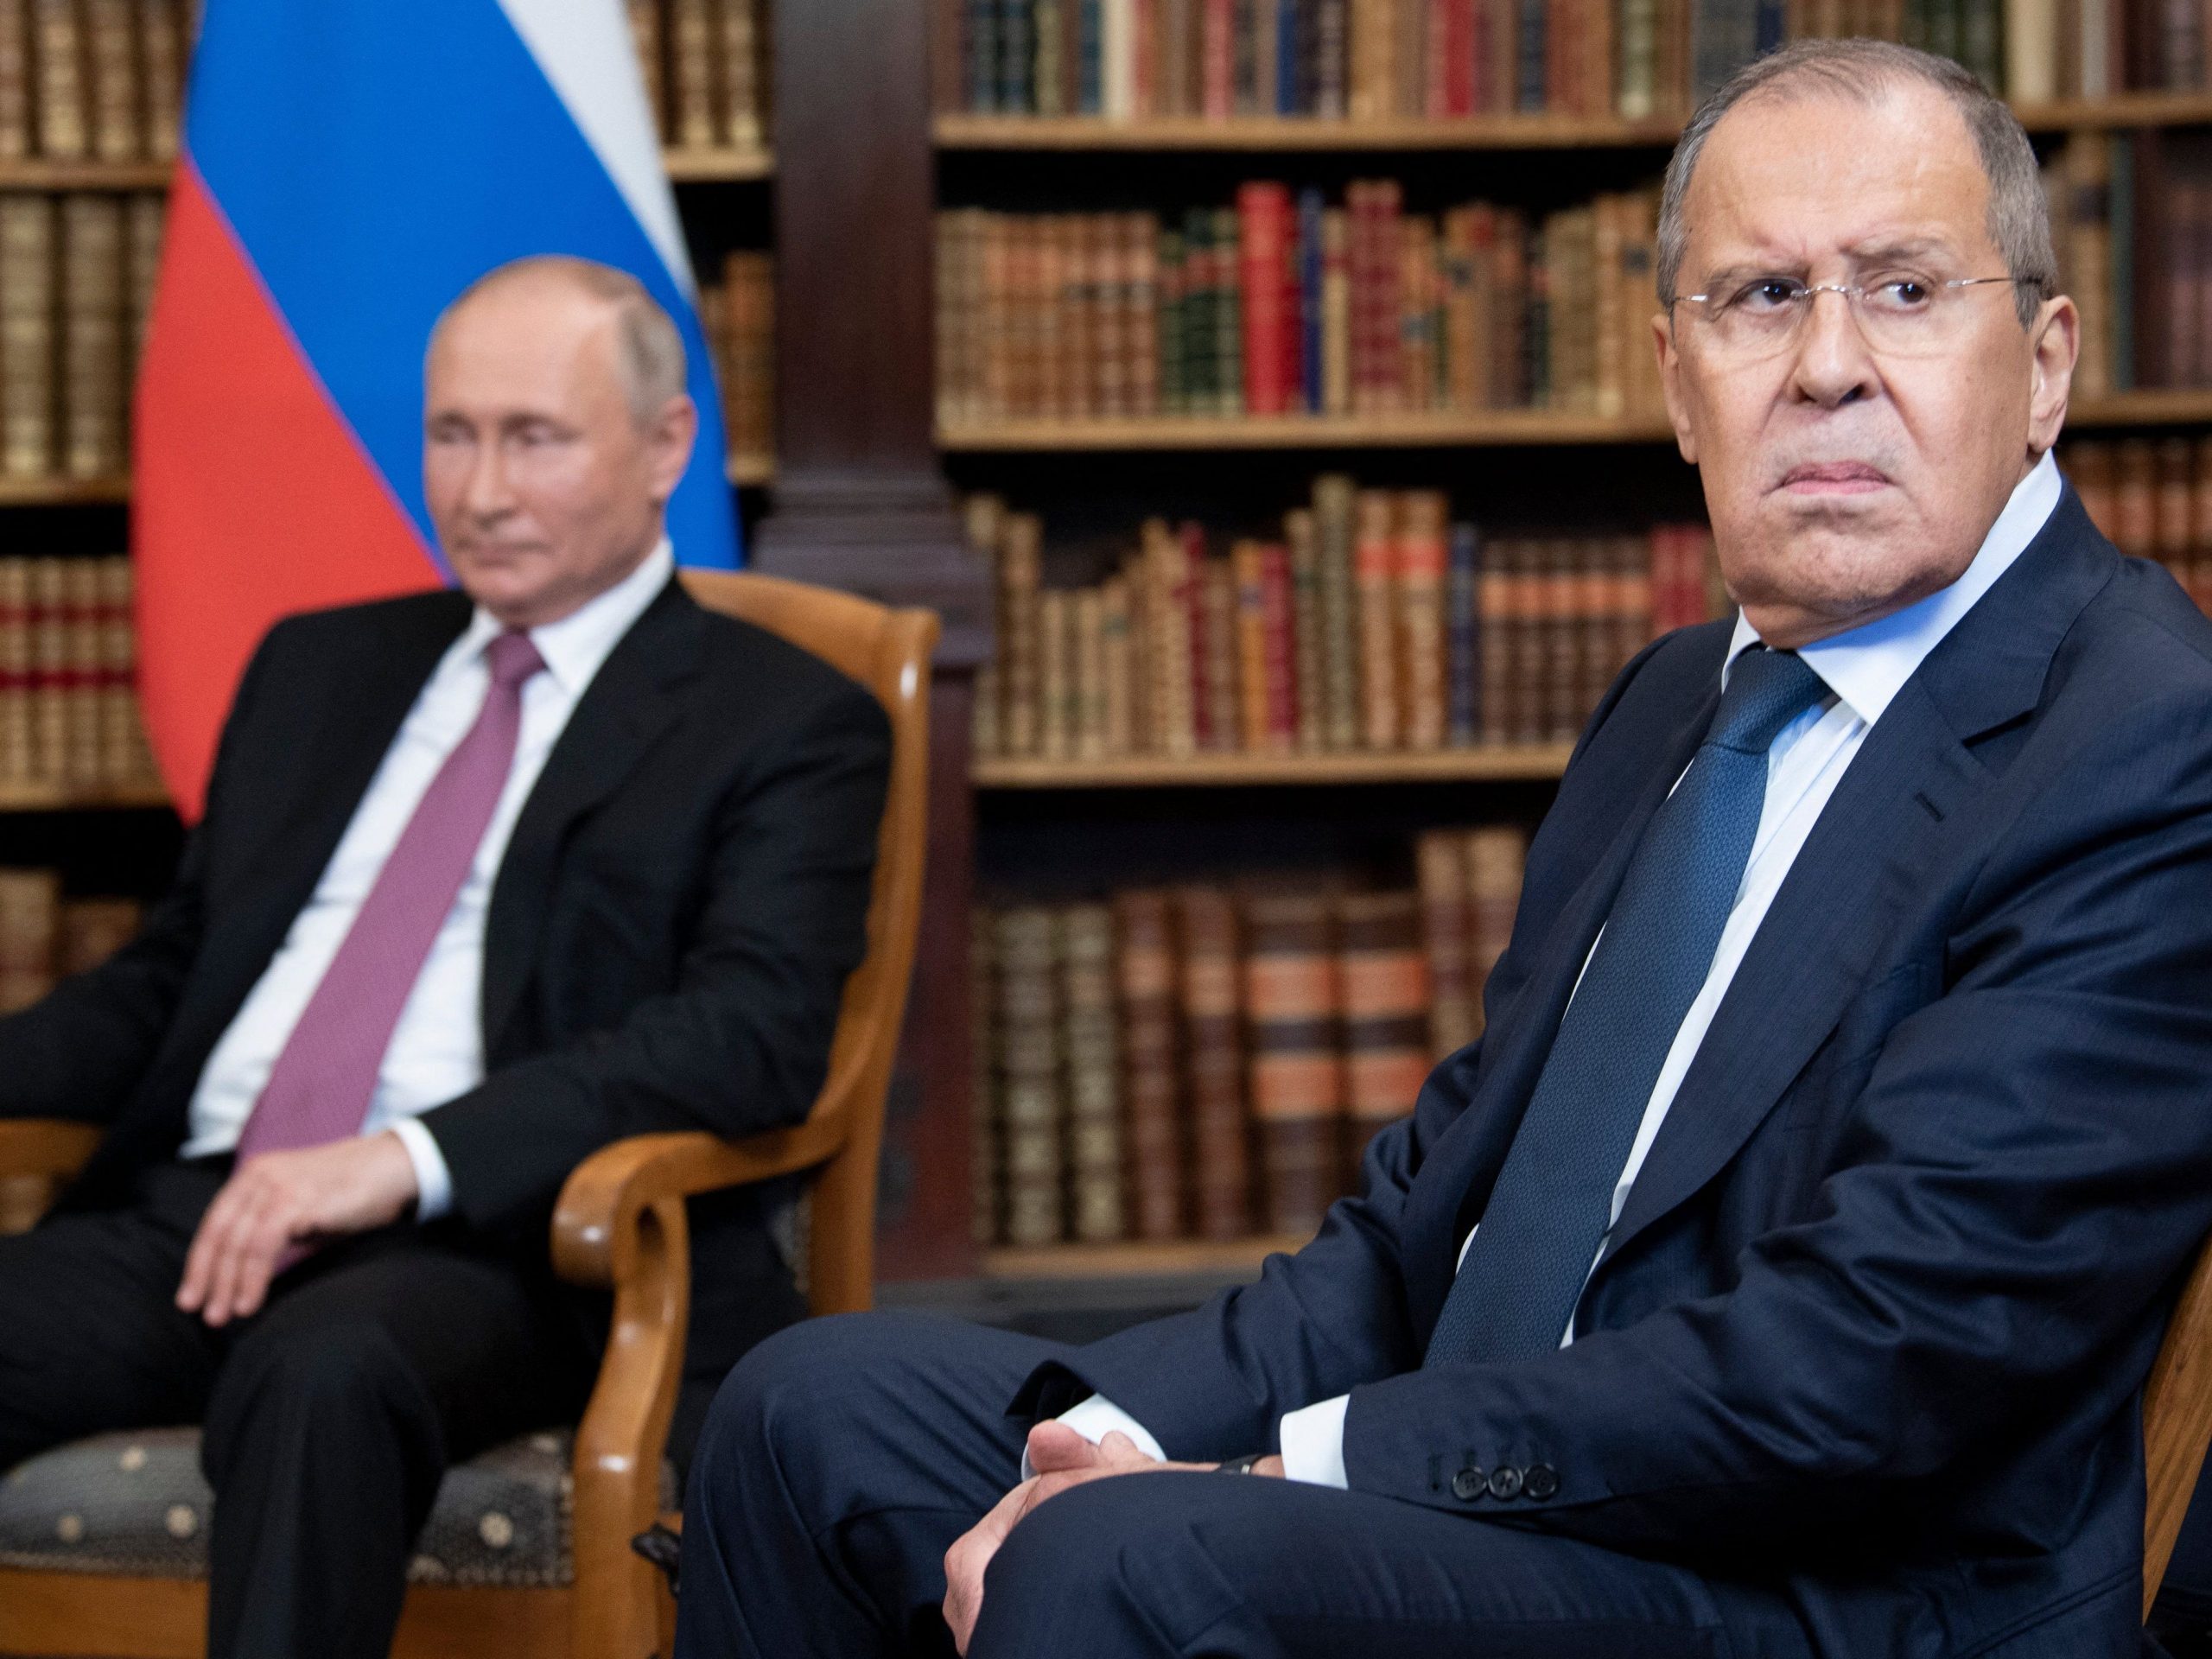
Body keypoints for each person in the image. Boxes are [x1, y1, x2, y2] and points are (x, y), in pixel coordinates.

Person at [677, 40, 2212, 1659]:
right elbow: (1423, 1234)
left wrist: (1300, 1466)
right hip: (1521, 1478)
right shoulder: (1681, 703)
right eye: (1759, 299)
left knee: (1119, 1565)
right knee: (810, 1409)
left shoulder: (2142, 747)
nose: (1827, 364)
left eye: (1903, 290)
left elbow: (1867, 1364)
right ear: (1679, 386)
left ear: (2044, 366)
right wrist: (1125, 1428)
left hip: (1831, 1589)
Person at [0, 255, 890, 1659]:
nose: (479, 490)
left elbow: (749, 1034)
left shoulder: (784, 721)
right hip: (203, 1217)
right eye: (453, 433)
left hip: (496, 1240)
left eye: (534, 438)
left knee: (324, 1374)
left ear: (665, 449)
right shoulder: (319, 668)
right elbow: (173, 981)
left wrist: (400, 1157)